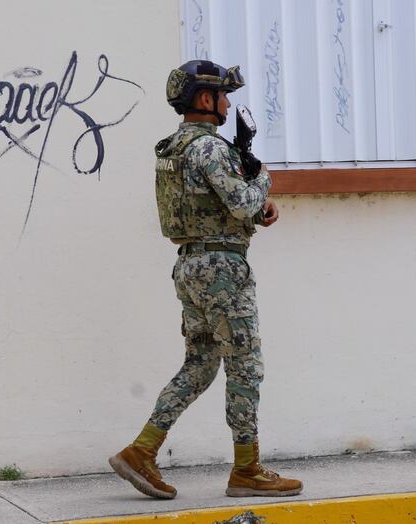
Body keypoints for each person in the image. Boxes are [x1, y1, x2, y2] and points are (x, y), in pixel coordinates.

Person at [109, 60, 302, 499]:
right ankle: (247, 470)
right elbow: (239, 201)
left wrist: (256, 208)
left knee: (199, 364)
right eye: (223, 96)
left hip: (190, 265)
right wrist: (263, 180)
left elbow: (213, 203)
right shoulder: (211, 149)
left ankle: (142, 450)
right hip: (223, 270)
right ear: (205, 99)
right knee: (245, 366)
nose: (229, 103)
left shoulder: (172, 148)